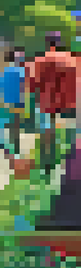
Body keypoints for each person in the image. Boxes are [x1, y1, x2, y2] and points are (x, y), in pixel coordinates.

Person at [29, 32, 79, 171]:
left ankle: (47, 165)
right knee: (70, 136)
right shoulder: (71, 59)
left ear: (47, 43)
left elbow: (33, 84)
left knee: (47, 135)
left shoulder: (40, 61)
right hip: (69, 103)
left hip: (47, 104)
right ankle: (70, 166)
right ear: (59, 43)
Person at [0, 48, 28, 162]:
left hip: (6, 102)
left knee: (6, 126)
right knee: (15, 127)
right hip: (16, 102)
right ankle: (15, 151)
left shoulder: (4, 71)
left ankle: (8, 149)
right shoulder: (20, 71)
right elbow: (23, 88)